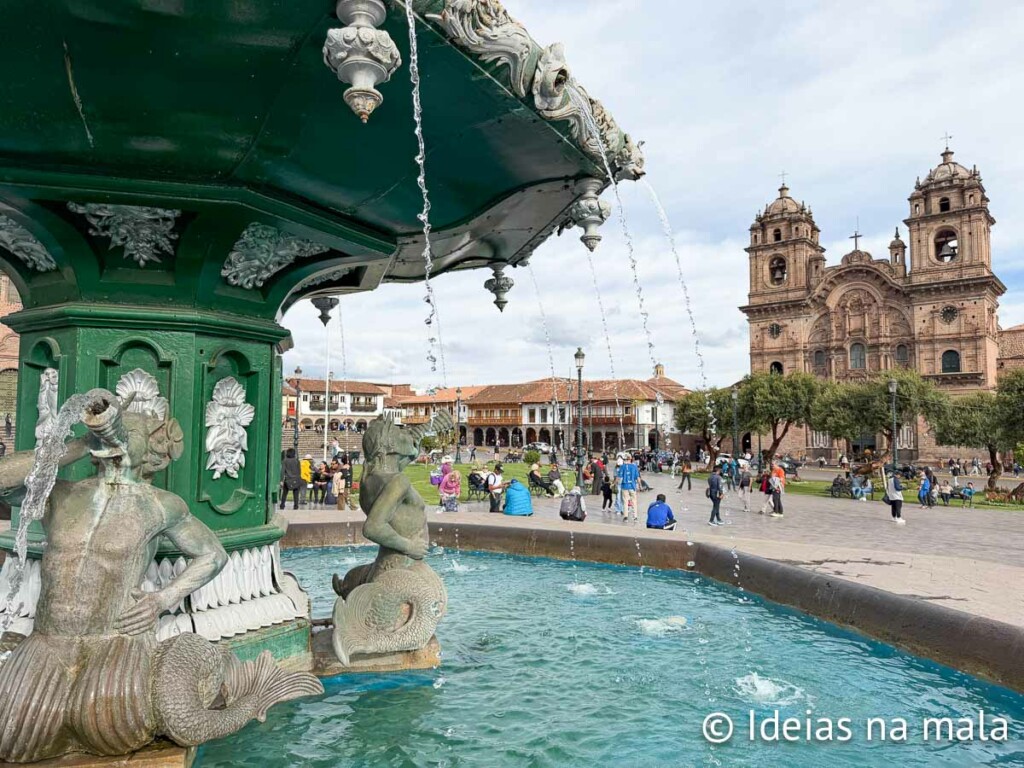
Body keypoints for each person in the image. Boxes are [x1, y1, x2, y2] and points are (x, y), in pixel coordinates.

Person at [616, 454, 640, 523]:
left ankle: (625, 517)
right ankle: (635, 517)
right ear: (630, 459)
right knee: (634, 502)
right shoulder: (634, 466)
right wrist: (640, 485)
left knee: (625, 502)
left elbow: (619, 477)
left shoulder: (622, 467)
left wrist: (615, 483)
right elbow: (637, 477)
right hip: (632, 486)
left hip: (624, 486)